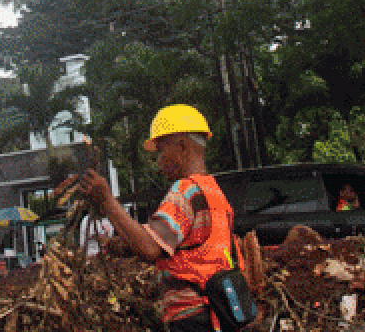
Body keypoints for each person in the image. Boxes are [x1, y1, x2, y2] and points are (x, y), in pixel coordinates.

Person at [80, 104, 243, 332]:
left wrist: (107, 200)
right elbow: (192, 247)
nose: (158, 160)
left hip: (192, 317)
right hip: (220, 312)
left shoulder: (185, 192)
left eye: (162, 150)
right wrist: (123, 244)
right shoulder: (214, 193)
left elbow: (150, 248)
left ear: (183, 146)